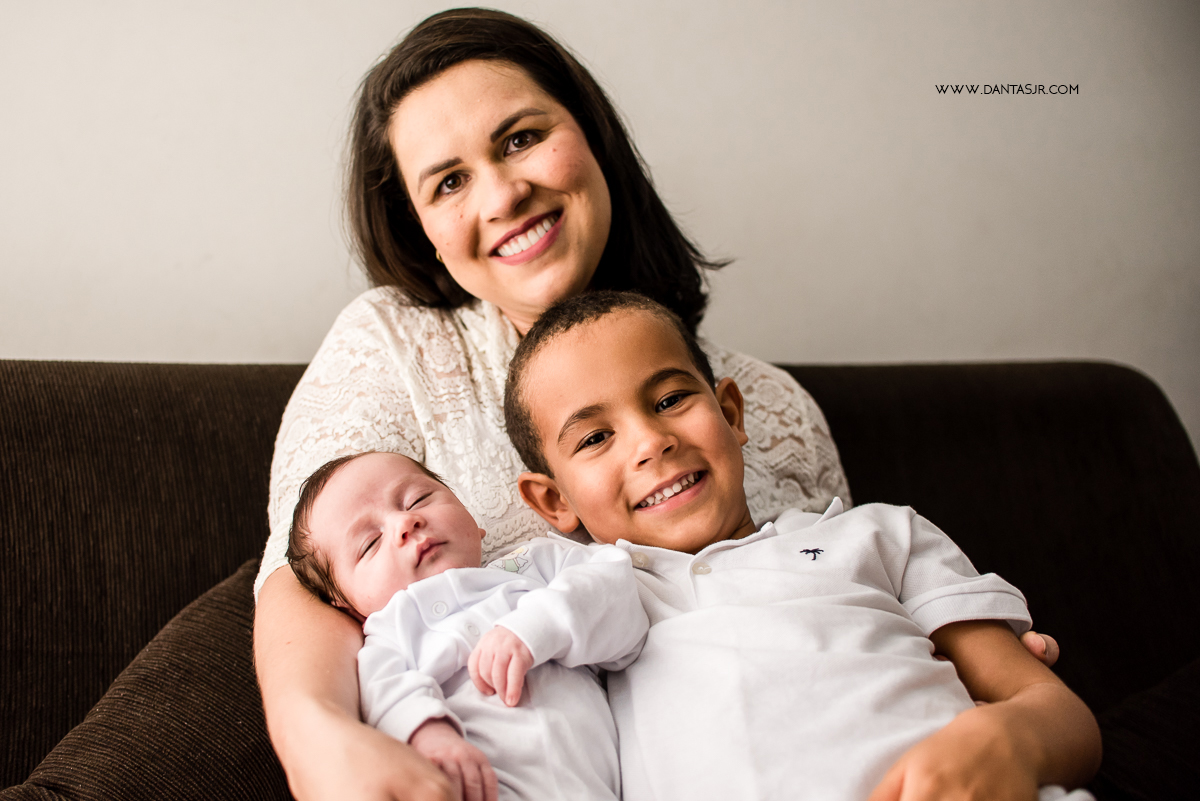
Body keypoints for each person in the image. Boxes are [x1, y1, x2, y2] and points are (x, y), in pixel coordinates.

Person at [251, 9, 1058, 800]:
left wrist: (1005, 696)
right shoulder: (391, 345)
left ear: (592, 138)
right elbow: (304, 574)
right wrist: (321, 741)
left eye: (522, 138)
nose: (502, 193)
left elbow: (842, 611)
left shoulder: (772, 405)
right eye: (451, 181)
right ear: (422, 228)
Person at [504, 291, 1102, 801]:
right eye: (596, 437)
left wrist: (1009, 740)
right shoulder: (577, 605)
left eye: (669, 401)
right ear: (554, 502)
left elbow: (1054, 710)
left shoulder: (878, 535)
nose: (650, 442)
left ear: (731, 412)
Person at [284, 451, 648, 801]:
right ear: (349, 605)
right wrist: (430, 736)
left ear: (472, 518)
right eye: (370, 543)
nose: (404, 523)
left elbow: (612, 588)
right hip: (488, 784)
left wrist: (536, 626)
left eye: (417, 499)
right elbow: (388, 697)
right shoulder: (389, 635)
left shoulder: (535, 562)